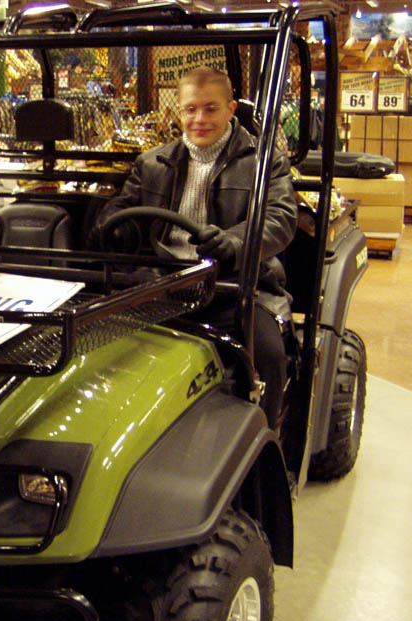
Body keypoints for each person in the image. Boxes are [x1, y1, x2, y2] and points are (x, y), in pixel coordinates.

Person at [96, 66, 298, 427]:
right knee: (100, 344)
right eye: (191, 109)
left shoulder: (264, 162)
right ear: (179, 111)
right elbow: (124, 208)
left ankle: (266, 439)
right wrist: (114, 225)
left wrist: (234, 242)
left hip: (234, 286)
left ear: (231, 109)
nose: (199, 119)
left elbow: (279, 220)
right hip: (161, 283)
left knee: (267, 354)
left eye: (210, 108)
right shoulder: (152, 162)